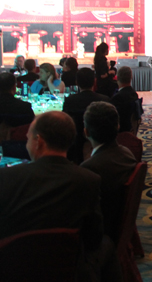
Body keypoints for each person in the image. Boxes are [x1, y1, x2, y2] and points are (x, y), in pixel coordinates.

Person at [0, 111, 105, 275]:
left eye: (28, 139)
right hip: (66, 270)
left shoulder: (6, 178)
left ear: (38, 141)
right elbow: (94, 238)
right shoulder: (89, 180)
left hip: (12, 269)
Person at [81, 102, 137, 243]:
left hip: (101, 235)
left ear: (86, 132)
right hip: (116, 226)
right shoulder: (127, 154)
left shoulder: (89, 169)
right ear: (117, 126)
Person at [110, 66, 140, 133]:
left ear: (117, 78)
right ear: (131, 78)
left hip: (120, 132)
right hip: (131, 130)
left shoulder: (117, 98)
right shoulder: (134, 94)